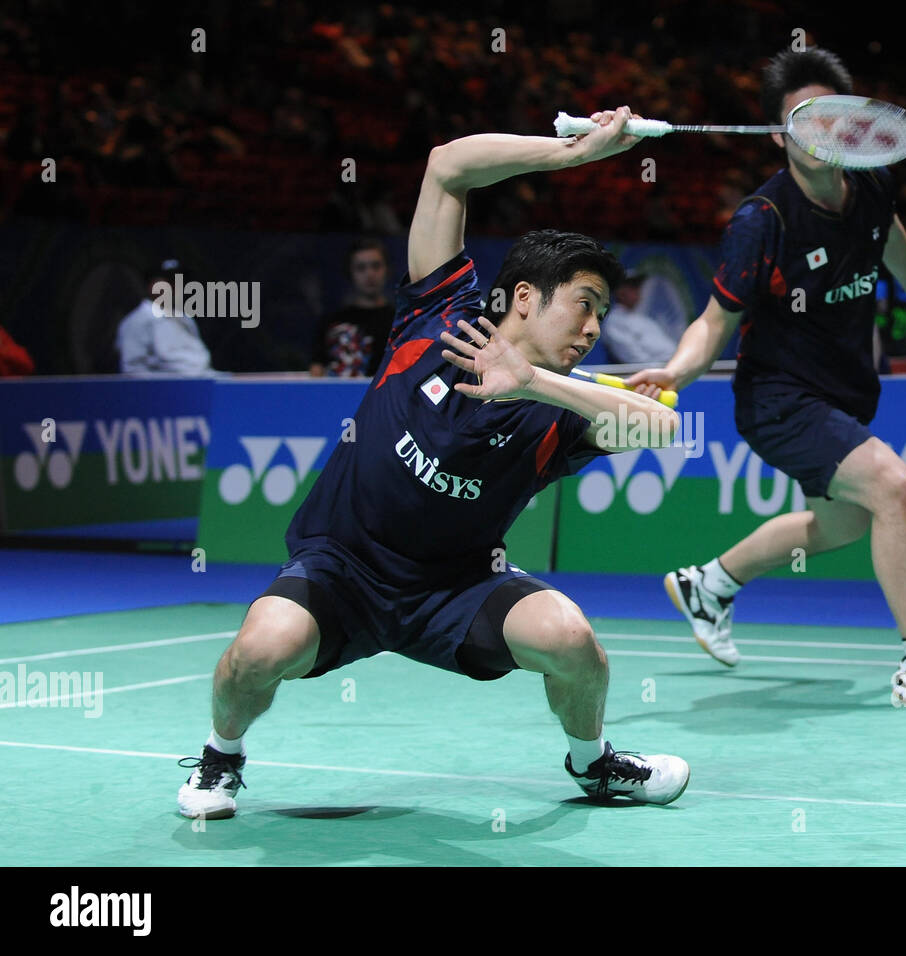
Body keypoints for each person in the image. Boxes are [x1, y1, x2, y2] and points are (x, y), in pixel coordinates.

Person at [178, 108, 690, 819]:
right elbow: (447, 164)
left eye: (601, 312)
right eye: (583, 305)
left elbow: (666, 429)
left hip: (456, 588)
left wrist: (535, 380)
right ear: (521, 297)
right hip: (342, 567)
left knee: (572, 640)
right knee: (258, 651)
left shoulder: (561, 408)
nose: (594, 328)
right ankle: (220, 757)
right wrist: (573, 154)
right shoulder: (437, 316)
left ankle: (592, 762)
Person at [627, 50, 906, 707]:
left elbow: (886, 231)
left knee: (843, 527)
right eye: (802, 121)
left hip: (843, 389)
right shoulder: (763, 221)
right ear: (779, 137)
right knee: (893, 487)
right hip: (778, 397)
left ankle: (709, 585)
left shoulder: (870, 185)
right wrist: (676, 371)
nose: (821, 133)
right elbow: (715, 321)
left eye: (831, 117)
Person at [309, 239, 395, 378]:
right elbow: (316, 369)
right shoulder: (331, 321)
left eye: (376, 266)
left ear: (387, 270)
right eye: (361, 268)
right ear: (350, 273)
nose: (369, 274)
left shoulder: (399, 321)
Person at [115, 259, 215, 376]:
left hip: (201, 385)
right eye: (169, 281)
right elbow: (133, 370)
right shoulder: (138, 320)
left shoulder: (184, 318)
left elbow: (198, 366)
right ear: (152, 285)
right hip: (167, 389)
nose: (175, 286)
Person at [599, 271, 679, 364]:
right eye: (631, 287)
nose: (637, 291)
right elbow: (634, 359)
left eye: (637, 286)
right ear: (619, 291)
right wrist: (665, 369)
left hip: (672, 365)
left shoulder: (642, 317)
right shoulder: (614, 321)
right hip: (653, 373)